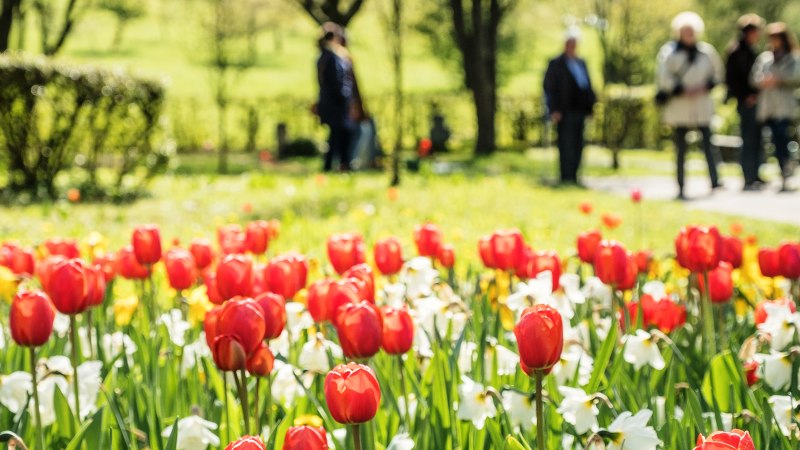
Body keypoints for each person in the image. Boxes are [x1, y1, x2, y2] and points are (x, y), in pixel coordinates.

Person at [657, 12, 724, 200]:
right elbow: (663, 78)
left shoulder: (706, 52)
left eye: (691, 31)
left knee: (708, 144)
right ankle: (680, 185)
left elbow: (717, 74)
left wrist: (706, 86)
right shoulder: (669, 52)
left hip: (702, 104)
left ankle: (715, 180)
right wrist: (681, 89)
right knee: (680, 148)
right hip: (680, 105)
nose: (689, 34)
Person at [543, 27, 597, 185]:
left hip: (580, 110)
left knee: (578, 145)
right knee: (566, 144)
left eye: (574, 43)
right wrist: (553, 109)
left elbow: (587, 86)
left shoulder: (581, 63)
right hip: (563, 112)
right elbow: (549, 87)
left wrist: (590, 107)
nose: (572, 46)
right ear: (565, 44)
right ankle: (566, 177)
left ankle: (575, 176)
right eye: (569, 43)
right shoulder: (556, 64)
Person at [751, 22, 800, 192]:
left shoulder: (793, 57)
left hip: (784, 107)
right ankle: (767, 173)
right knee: (768, 141)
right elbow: (754, 78)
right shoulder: (765, 58)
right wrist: (763, 80)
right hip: (767, 106)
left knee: (782, 139)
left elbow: (797, 77)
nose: (774, 40)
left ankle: (786, 173)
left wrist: (779, 79)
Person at [726, 14, 765, 191]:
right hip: (746, 102)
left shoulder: (752, 50)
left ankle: (755, 174)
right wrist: (745, 96)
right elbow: (732, 80)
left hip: (757, 101)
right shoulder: (737, 52)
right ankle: (748, 176)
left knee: (758, 139)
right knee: (748, 139)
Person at [315, 22, 356, 172]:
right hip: (337, 104)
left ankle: (332, 164)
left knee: (335, 135)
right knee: (340, 135)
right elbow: (337, 83)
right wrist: (346, 98)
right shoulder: (332, 58)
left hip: (330, 103)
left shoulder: (323, 57)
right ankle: (340, 164)